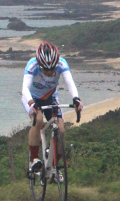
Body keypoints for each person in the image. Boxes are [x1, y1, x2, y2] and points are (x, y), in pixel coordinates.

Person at [21, 41, 83, 173]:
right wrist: (31, 103)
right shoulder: (32, 65)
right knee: (37, 121)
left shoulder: (62, 64)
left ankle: (56, 166)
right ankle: (34, 159)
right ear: (39, 64)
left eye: (52, 69)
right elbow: (24, 88)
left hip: (51, 97)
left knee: (61, 130)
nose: (49, 72)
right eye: (45, 69)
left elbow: (70, 83)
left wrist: (76, 99)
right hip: (33, 98)